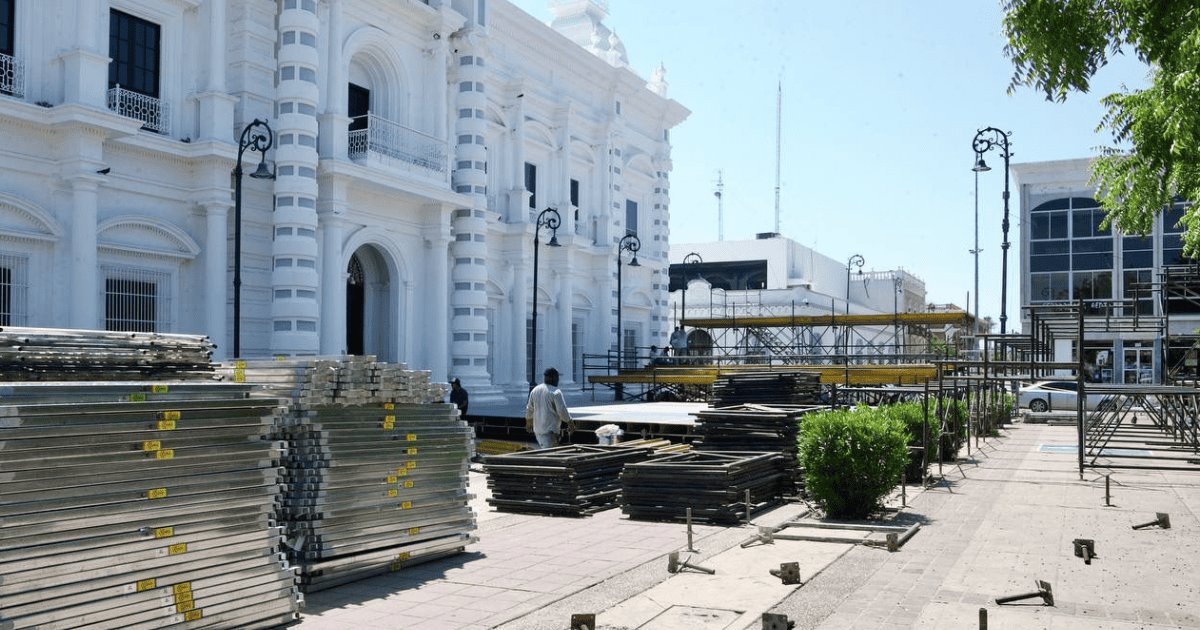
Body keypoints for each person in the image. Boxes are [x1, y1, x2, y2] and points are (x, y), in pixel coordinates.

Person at [525, 367, 575, 449]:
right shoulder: (556, 392)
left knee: (544, 451)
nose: (558, 380)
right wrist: (570, 422)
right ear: (552, 377)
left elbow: (529, 408)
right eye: (557, 377)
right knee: (549, 454)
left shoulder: (535, 390)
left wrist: (528, 422)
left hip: (538, 430)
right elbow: (561, 410)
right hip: (550, 431)